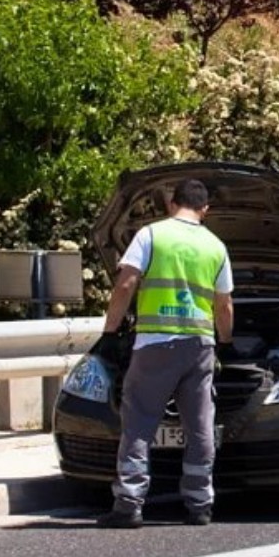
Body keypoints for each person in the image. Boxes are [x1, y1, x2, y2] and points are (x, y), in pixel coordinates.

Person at [96, 177, 234, 529]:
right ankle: (200, 504)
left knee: (139, 422)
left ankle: (129, 503)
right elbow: (224, 305)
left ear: (173, 203)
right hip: (199, 346)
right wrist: (225, 340)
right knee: (200, 426)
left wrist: (110, 331)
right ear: (205, 210)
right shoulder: (216, 246)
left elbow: (126, 284)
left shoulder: (151, 235)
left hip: (155, 344)